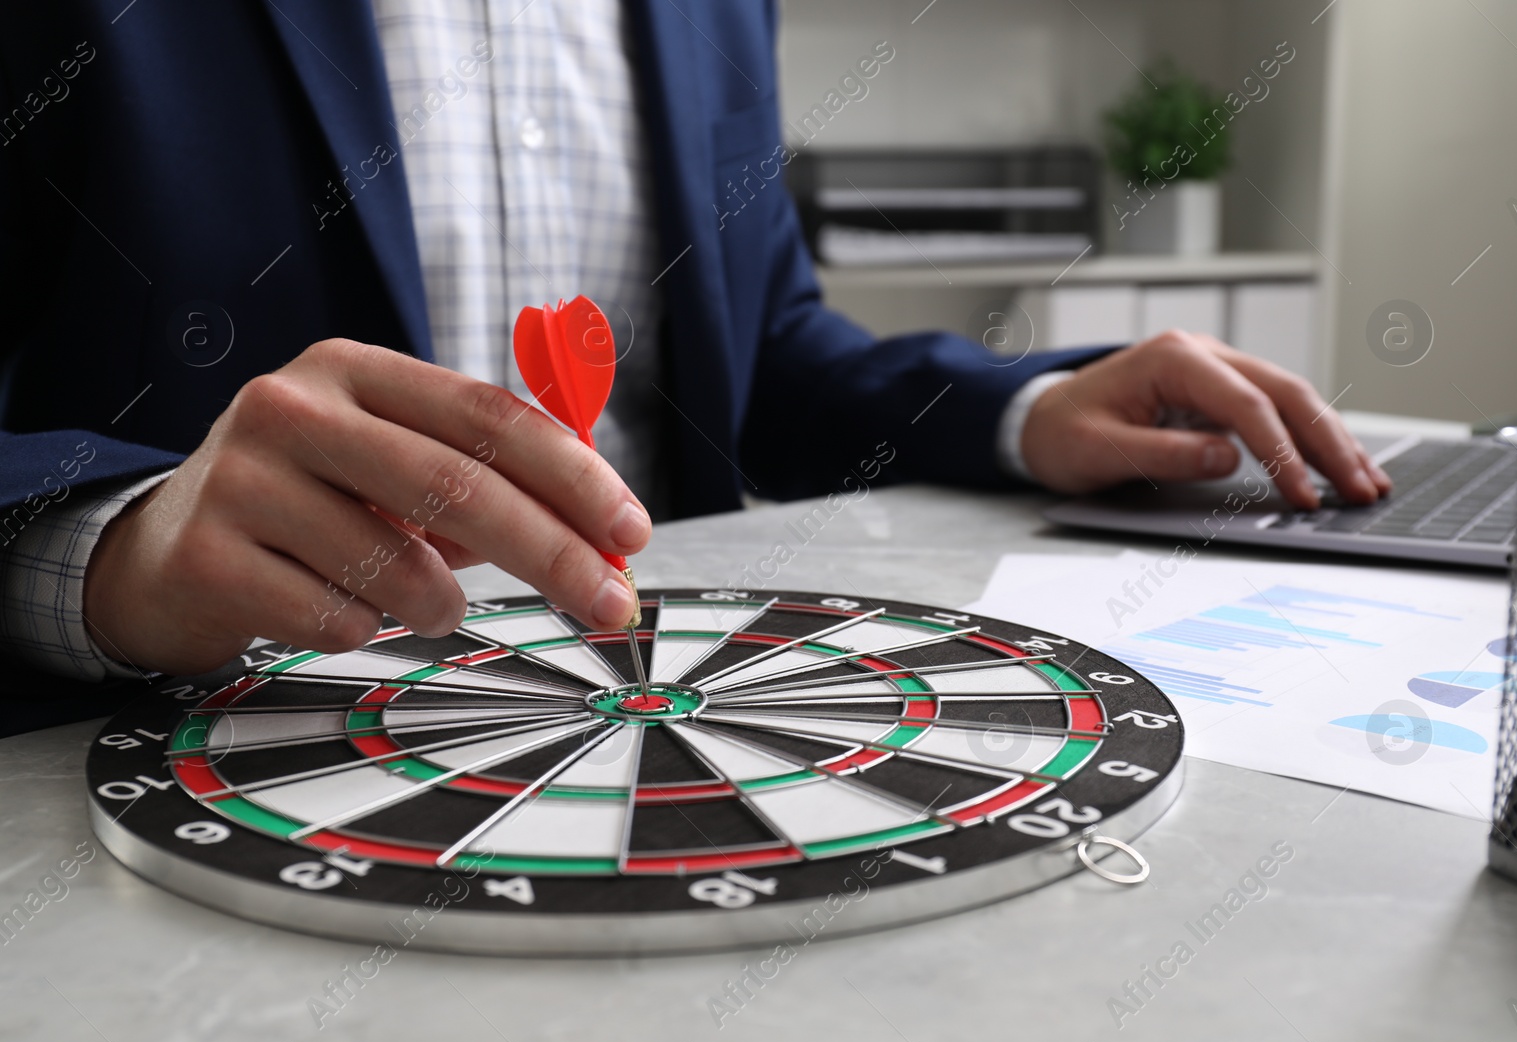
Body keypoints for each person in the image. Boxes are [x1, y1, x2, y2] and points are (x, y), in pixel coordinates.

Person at [0, 1, 1388, 690]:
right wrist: (111, 551)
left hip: (666, 728)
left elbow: (763, 353)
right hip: (214, 773)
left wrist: (1027, 411)